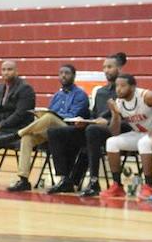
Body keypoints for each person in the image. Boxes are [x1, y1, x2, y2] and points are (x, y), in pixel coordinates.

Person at [45, 53, 126, 196]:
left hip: (117, 129)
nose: (106, 70)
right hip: (94, 129)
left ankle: (94, 182)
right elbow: (94, 115)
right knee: (55, 132)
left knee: (92, 131)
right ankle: (65, 179)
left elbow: (128, 117)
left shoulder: (125, 89)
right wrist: (83, 120)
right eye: (104, 67)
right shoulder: (101, 92)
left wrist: (105, 121)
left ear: (119, 68)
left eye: (110, 67)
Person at [6, 64, 89, 192]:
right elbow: (50, 113)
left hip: (69, 129)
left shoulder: (80, 95)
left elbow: (73, 115)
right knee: (28, 137)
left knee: (49, 117)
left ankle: (18, 133)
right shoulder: (57, 95)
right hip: (52, 130)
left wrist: (52, 115)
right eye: (61, 73)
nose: (63, 75)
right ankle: (23, 179)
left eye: (67, 73)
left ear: (73, 75)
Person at [100, 74, 152, 198]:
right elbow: (115, 132)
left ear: (133, 87)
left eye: (123, 86)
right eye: (117, 86)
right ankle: (117, 186)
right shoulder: (119, 102)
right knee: (111, 142)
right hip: (139, 134)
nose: (118, 89)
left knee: (144, 143)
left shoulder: (147, 96)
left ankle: (148, 186)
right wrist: (115, 114)